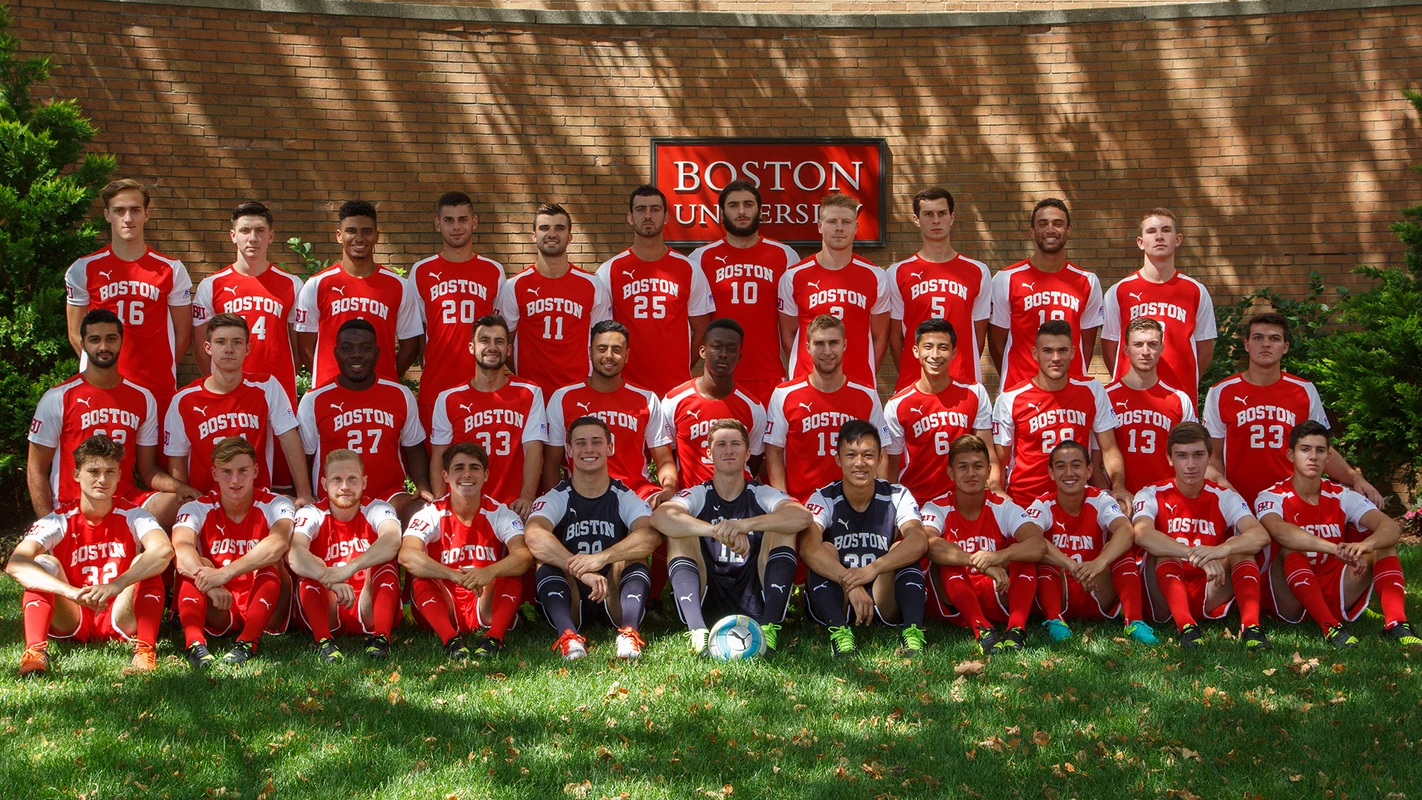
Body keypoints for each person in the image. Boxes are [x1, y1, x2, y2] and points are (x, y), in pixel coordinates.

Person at [7, 435, 173, 675]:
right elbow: (16, 564)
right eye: (93, 471)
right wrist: (71, 593)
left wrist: (116, 584)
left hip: (120, 612)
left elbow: (163, 551)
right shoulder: (57, 520)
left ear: (119, 475)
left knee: (146, 561)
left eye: (110, 472)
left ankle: (145, 649)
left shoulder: (135, 515)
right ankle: (35, 653)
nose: (102, 480)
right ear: (77, 475)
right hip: (73, 615)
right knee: (43, 562)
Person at [652, 419, 808, 656]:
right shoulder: (699, 493)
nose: (728, 450)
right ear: (709, 453)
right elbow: (660, 517)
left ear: (747, 454)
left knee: (782, 527)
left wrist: (743, 525)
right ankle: (697, 632)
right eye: (721, 444)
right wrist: (717, 531)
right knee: (679, 532)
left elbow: (801, 516)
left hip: (755, 596)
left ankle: (769, 628)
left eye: (735, 444)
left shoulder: (759, 492)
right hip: (708, 595)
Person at [1254, 421, 1418, 647]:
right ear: (1291, 455)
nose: (1313, 456)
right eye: (1305, 449)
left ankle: (1396, 624)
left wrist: (1366, 546)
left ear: (1328, 457)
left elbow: (1391, 527)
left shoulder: (1341, 494)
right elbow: (1280, 531)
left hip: (1335, 585)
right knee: (1291, 546)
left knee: (1383, 545)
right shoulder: (1271, 495)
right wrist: (1334, 549)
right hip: (1289, 597)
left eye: (1320, 450)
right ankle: (1329, 627)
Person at [29, 308, 195, 529]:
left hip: (126, 502)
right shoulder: (58, 397)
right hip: (74, 505)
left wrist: (179, 487)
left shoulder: (143, 398)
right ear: (83, 343)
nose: (103, 347)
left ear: (121, 341)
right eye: (95, 340)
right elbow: (36, 469)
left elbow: (147, 470)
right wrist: (47, 525)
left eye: (111, 339)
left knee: (184, 504)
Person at [1202, 312, 1381, 509]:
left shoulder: (1304, 390)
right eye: (1258, 338)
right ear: (1246, 345)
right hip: (1240, 503)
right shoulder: (1221, 392)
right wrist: (1227, 497)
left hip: (1292, 503)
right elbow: (1213, 456)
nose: (1266, 344)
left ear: (1285, 347)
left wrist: (1355, 478)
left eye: (1275, 338)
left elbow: (1320, 449)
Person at [524, 416, 661, 660]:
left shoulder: (624, 495)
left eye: (596, 442)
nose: (588, 449)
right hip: (571, 594)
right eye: (580, 443)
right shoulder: (558, 496)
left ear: (610, 448)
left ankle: (629, 632)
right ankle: (568, 635)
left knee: (636, 556)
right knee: (545, 559)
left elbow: (650, 536)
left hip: (613, 590)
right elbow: (534, 535)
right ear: (568, 450)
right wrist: (580, 569)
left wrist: (601, 558)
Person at [192, 202, 305, 488]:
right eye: (245, 230)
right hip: (230, 395)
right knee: (231, 476)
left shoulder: (292, 284)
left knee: (278, 484)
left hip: (277, 393)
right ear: (233, 235)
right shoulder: (211, 285)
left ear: (271, 236)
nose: (252, 237)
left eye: (259, 230)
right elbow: (201, 348)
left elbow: (297, 345)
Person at [1132, 422, 1271, 650]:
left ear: (1209, 457)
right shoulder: (1150, 493)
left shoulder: (1224, 496)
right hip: (1163, 591)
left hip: (1211, 585)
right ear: (1169, 459)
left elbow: (1260, 535)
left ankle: (1251, 628)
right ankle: (1186, 628)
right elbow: (1142, 535)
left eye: (1198, 455)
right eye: (1182, 456)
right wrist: (1194, 554)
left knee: (1242, 551)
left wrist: (1221, 550)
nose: (1190, 465)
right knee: (1165, 553)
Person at [798, 421, 929, 657]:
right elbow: (808, 547)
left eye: (868, 455)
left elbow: (919, 539)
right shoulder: (824, 496)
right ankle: (840, 633)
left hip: (882, 595)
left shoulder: (897, 494)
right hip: (840, 596)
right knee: (824, 547)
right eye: (851, 455)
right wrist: (851, 582)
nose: (860, 463)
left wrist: (873, 569)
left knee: (904, 546)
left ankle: (912, 632)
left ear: (879, 459)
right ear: (838, 459)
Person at [64, 179, 193, 420]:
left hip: (156, 388)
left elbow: (183, 333)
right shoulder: (83, 269)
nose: (128, 218)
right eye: (119, 210)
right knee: (103, 457)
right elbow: (75, 334)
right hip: (102, 386)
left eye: (135, 210)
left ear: (146, 214)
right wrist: (102, 370)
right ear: (107, 215)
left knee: (157, 459)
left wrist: (160, 368)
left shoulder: (172, 269)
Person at [170, 437, 296, 668]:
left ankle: (248, 642)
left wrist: (224, 573)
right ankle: (195, 645)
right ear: (214, 473)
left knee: (270, 562)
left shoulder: (276, 503)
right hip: (220, 603)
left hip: (266, 602)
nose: (235, 480)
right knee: (198, 563)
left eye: (243, 471)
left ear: (255, 470)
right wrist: (213, 582)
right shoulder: (196, 507)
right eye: (226, 471)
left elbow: (278, 544)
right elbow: (182, 550)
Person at [401, 442, 533, 659]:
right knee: (421, 578)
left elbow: (524, 556)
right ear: (445, 476)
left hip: (483, 599)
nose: (467, 474)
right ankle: (451, 641)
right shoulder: (431, 513)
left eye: (474, 468)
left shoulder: (499, 512)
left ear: (486, 475)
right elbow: (407, 555)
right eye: (458, 468)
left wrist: (489, 572)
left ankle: (494, 638)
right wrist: (452, 575)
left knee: (509, 573)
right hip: (444, 602)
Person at [164, 313, 313, 504]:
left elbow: (289, 438)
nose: (229, 349)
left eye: (236, 342)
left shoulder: (266, 386)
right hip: (206, 502)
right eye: (220, 342)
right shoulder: (183, 400)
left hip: (258, 500)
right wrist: (188, 504)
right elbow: (177, 457)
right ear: (208, 348)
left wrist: (304, 494)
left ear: (247, 348)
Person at [920, 435, 1047, 653]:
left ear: (988, 471)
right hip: (956, 595)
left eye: (978, 466)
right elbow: (929, 544)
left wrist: (1000, 556)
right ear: (951, 473)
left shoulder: (1003, 507)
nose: (971, 473)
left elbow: (1038, 544)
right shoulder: (935, 507)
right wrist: (980, 562)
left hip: (997, 590)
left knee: (1023, 558)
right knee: (948, 560)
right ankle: (982, 629)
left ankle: (1016, 629)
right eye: (963, 467)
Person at [297, 320, 431, 524]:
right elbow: (304, 458)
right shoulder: (313, 400)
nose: (356, 354)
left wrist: (422, 486)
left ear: (377, 353)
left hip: (390, 496)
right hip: (336, 499)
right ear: (336, 353)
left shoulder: (400, 395)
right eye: (347, 348)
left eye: (365, 348)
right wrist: (305, 494)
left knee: (422, 512)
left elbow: (414, 449)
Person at [1030, 440, 1158, 644]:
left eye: (1076, 465)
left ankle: (1134, 621)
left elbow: (1126, 530)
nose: (1069, 472)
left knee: (1122, 553)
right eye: (1061, 466)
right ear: (1051, 473)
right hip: (1061, 587)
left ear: (1089, 470)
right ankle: (1054, 620)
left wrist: (1099, 562)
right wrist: (1070, 564)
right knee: (1041, 557)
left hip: (1097, 585)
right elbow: (1030, 540)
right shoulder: (1043, 503)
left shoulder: (1100, 499)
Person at [994, 320, 1130, 510]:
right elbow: (998, 460)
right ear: (1035, 353)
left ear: (1073, 352)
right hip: (1026, 502)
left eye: (1062, 350)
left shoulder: (1092, 389)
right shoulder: (1010, 398)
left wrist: (1118, 487)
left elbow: (1109, 449)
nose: (1055, 357)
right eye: (1048, 350)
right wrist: (996, 491)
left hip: (1077, 502)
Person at [687, 180, 799, 407]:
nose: (741, 211)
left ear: (759, 211)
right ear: (722, 213)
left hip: (769, 375)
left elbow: (793, 327)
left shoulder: (785, 256)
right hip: (717, 376)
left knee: (769, 443)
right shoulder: (700, 258)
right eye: (733, 205)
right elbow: (694, 326)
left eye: (748, 204)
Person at [287, 449, 404, 661]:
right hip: (327, 605)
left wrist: (346, 570)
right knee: (310, 568)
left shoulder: (378, 508)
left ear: (364, 482)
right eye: (337, 479)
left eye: (352, 479)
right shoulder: (311, 513)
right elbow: (295, 554)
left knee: (386, 564)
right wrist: (329, 579)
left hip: (369, 605)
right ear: (323, 484)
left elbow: (392, 540)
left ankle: (380, 638)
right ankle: (324, 641)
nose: (344, 487)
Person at [597, 185, 713, 397]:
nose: (648, 215)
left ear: (666, 217)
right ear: (630, 218)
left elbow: (702, 330)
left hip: (676, 388)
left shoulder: (688, 268)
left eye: (655, 209)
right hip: (625, 386)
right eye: (641, 210)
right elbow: (599, 334)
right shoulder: (609, 270)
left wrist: (683, 364)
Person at [543, 320, 675, 505]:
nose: (609, 356)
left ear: (627, 355)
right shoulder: (563, 398)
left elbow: (664, 460)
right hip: (580, 492)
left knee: (670, 516)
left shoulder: (647, 399)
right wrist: (555, 503)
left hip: (636, 491)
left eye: (617, 350)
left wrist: (669, 489)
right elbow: (551, 463)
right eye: (602, 348)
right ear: (590, 352)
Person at [429, 315, 547, 519]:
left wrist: (527, 497)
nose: (492, 347)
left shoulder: (529, 392)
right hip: (465, 505)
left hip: (513, 506)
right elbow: (440, 455)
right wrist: (442, 503)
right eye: (484, 340)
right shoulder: (449, 398)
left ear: (509, 350)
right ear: (471, 347)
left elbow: (533, 449)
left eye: (499, 341)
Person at [407, 191, 507, 432]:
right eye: (449, 220)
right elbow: (418, 329)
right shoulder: (420, 272)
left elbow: (501, 331)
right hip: (436, 386)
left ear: (474, 222)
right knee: (437, 463)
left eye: (462, 219)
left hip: (483, 387)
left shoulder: (494, 271)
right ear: (437, 224)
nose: (456, 227)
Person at [295, 200, 422, 387]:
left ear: (377, 236)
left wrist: (386, 376)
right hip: (330, 392)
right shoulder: (317, 285)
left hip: (380, 391)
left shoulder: (399, 286)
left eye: (367, 231)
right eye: (351, 231)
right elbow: (305, 347)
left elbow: (410, 346)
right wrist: (328, 382)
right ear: (339, 236)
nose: (359, 238)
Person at [765, 314, 886, 502]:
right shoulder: (784, 394)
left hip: (853, 505)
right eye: (819, 343)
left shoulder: (867, 395)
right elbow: (774, 451)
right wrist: (784, 502)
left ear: (844, 345)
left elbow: (882, 452)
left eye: (833, 343)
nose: (827, 351)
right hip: (802, 505)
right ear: (807, 348)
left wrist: (877, 502)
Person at [988, 198, 1104, 389]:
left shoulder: (1087, 281)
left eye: (1058, 224)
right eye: (1043, 224)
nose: (1050, 229)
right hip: (1020, 388)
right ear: (1032, 230)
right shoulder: (1006, 279)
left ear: (1069, 230)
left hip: (1070, 392)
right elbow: (996, 343)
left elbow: (1086, 346)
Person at [777, 193, 890, 387]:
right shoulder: (794, 276)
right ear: (820, 226)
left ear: (856, 227)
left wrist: (866, 372)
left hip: (858, 383)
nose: (839, 228)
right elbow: (788, 334)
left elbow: (880, 336)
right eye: (832, 222)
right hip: (807, 383)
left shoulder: (876, 276)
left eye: (846, 222)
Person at [496, 203, 612, 393]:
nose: (552, 234)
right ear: (533, 236)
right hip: (531, 393)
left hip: (578, 391)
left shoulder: (593, 284)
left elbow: (603, 341)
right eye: (544, 228)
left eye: (559, 228)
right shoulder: (514, 286)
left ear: (570, 237)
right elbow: (503, 343)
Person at [1100, 209, 1216, 397]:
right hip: (1130, 398)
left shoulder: (1196, 291)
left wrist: (1185, 380)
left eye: (1166, 230)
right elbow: (1110, 349)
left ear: (1178, 239)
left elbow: (1204, 352)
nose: (1159, 236)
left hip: (1180, 394)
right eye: (1151, 231)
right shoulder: (1118, 291)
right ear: (1140, 242)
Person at [886, 187, 991, 388]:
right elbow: (896, 336)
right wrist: (910, 372)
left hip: (963, 381)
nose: (936, 220)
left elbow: (977, 335)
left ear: (951, 218)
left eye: (942, 213)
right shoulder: (897, 273)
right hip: (914, 383)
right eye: (928, 214)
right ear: (916, 220)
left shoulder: (978, 272)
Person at [883, 319, 996, 505]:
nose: (935, 355)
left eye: (943, 347)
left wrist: (995, 489)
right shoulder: (897, 405)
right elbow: (891, 468)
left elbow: (988, 453)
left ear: (954, 353)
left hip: (963, 501)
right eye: (928, 347)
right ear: (915, 351)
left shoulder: (974, 393)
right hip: (918, 502)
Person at [662, 318, 767, 488]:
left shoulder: (753, 407)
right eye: (716, 347)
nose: (723, 354)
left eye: (731, 349)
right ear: (702, 351)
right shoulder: (674, 400)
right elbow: (667, 456)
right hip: (690, 498)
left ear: (739, 357)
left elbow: (753, 459)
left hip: (738, 498)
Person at [1105, 317, 1199, 494]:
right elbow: (1095, 458)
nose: (1146, 351)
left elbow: (1192, 456)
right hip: (1121, 500)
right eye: (1138, 344)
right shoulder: (1106, 396)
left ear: (1162, 348)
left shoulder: (1179, 399)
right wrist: (1109, 500)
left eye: (1153, 344)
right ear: (1126, 349)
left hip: (1167, 500)